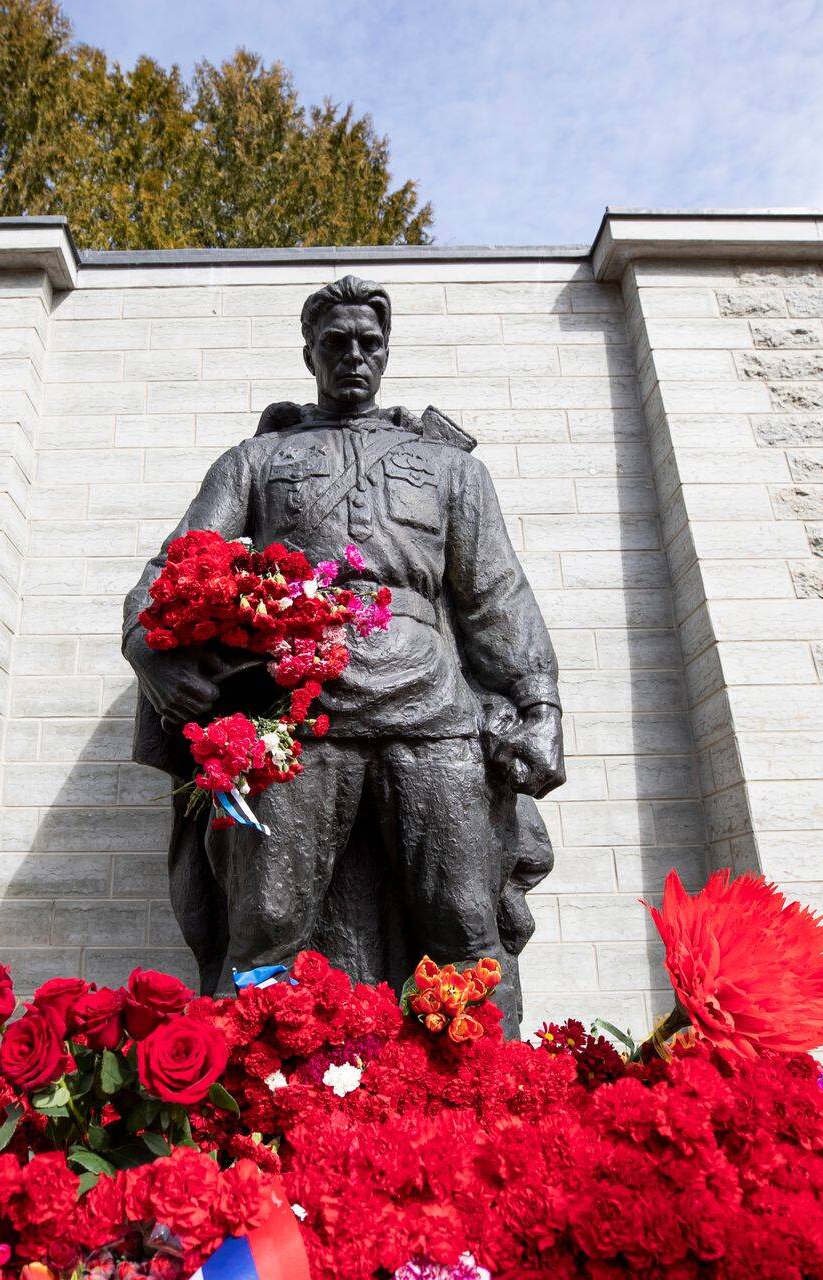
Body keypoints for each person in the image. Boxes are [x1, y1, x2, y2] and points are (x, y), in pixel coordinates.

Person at [121, 276, 563, 1020]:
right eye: (336, 343)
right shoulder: (255, 462)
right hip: (293, 712)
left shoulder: (454, 469)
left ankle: (494, 1087)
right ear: (310, 354)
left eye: (369, 343)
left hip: (430, 706)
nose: (353, 356)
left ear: (386, 352)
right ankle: (259, 1098)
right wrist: (150, 652)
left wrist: (539, 705)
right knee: (265, 923)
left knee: (460, 919)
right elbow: (174, 568)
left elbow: (496, 593)